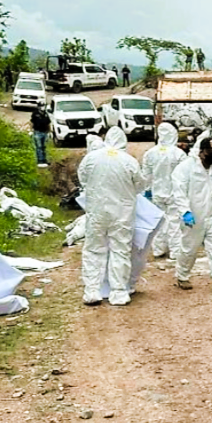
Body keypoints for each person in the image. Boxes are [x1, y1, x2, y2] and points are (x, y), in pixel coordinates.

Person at [77, 127, 145, 306]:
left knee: (94, 249)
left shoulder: (91, 158)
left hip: (97, 211)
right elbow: (139, 185)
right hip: (122, 213)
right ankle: (119, 292)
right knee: (120, 250)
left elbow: (83, 180)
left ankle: (92, 291)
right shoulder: (129, 161)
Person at [171, 138, 212, 295]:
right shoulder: (186, 168)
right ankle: (182, 276)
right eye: (209, 152)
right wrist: (185, 211)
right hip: (193, 217)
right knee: (189, 249)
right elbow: (179, 191)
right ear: (201, 152)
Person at [141, 122, 187, 260]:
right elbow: (185, 175)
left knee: (158, 222)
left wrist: (147, 190)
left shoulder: (150, 154)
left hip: (157, 192)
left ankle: (158, 249)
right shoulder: (179, 154)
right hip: (174, 193)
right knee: (174, 222)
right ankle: (175, 251)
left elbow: (146, 175)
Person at [31, 102, 51, 168]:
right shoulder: (35, 114)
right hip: (37, 132)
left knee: (44, 147)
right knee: (39, 147)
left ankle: (45, 160)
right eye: (41, 106)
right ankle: (40, 160)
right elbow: (31, 122)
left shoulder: (45, 114)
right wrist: (31, 130)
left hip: (44, 132)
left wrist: (50, 132)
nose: (42, 107)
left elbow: (48, 123)